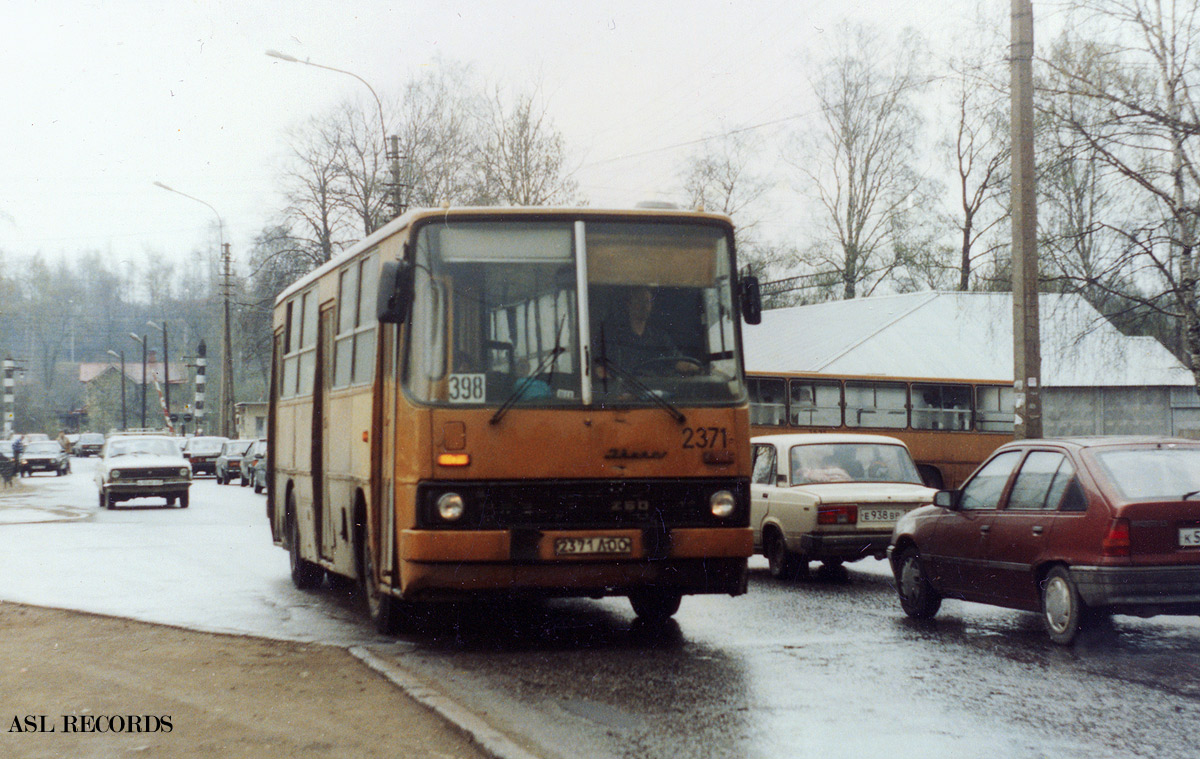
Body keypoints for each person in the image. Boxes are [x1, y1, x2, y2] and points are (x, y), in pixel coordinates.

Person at [593, 287, 700, 378]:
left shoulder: (660, 337)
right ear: (629, 304)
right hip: (625, 394)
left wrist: (691, 366)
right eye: (639, 301)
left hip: (655, 395)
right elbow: (601, 369)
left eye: (647, 302)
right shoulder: (613, 336)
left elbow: (677, 361)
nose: (644, 306)